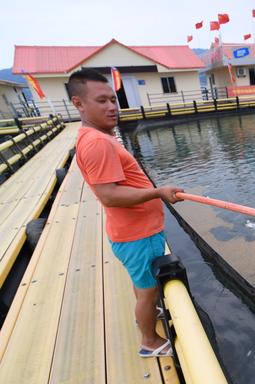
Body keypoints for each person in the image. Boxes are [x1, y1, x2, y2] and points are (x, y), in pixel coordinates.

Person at [69, 68, 182, 357]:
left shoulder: (98, 137)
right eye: (101, 101)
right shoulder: (96, 143)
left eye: (113, 100)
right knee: (146, 291)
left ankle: (149, 314)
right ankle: (149, 342)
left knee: (143, 285)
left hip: (133, 233)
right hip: (137, 236)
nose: (111, 107)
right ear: (78, 103)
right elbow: (109, 195)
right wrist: (158, 192)